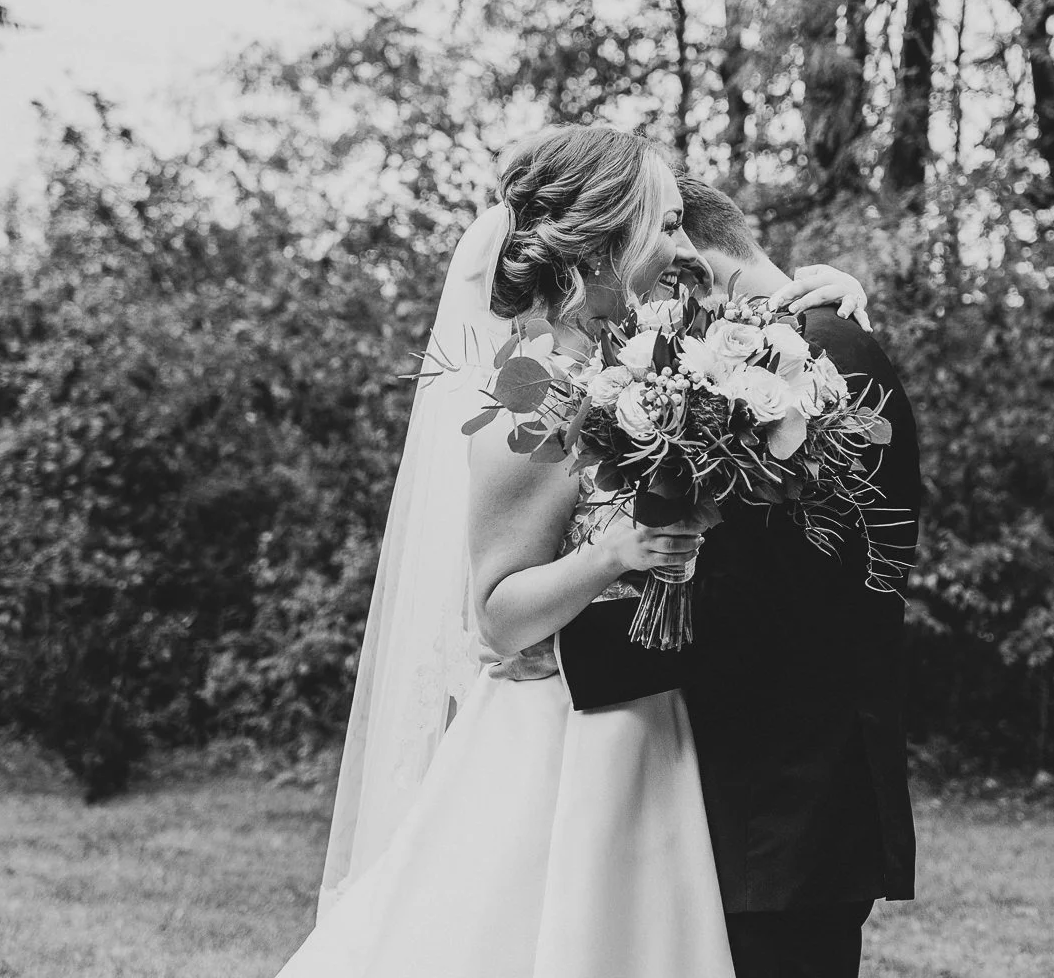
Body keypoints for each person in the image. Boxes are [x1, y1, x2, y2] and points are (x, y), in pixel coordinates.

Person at [275, 126, 874, 978]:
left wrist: (826, 298)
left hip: (650, 734)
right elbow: (496, 617)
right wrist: (616, 554)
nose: (683, 248)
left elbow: (763, 382)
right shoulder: (528, 402)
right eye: (665, 225)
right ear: (602, 238)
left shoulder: (648, 365)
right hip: (560, 745)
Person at [559, 176, 921, 978]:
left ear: (693, 264)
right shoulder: (817, 342)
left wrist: (557, 654)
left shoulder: (824, 358)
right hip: (782, 790)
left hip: (787, 797)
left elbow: (775, 598)